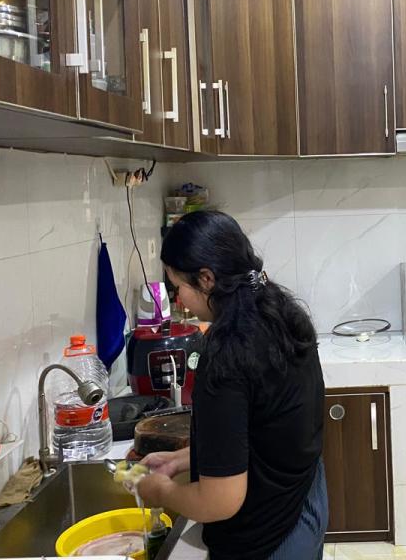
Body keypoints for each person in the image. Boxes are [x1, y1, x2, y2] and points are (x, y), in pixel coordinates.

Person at [136, 210, 327, 560]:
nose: (178, 300)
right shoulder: (281, 312)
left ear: (206, 279)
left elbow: (220, 501)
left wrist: (161, 491)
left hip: (268, 537)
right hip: (305, 501)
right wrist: (184, 459)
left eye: (178, 288)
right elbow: (266, 428)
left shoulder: (227, 356)